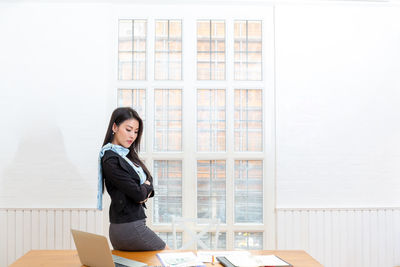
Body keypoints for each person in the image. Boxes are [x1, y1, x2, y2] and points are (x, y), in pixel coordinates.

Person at [97, 107, 167, 251]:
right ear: (115, 127)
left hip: (129, 225)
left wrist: (143, 190)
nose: (132, 136)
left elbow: (149, 179)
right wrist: (143, 191)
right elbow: (139, 194)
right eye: (128, 129)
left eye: (136, 131)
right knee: (165, 254)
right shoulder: (110, 158)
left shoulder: (127, 155)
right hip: (129, 226)